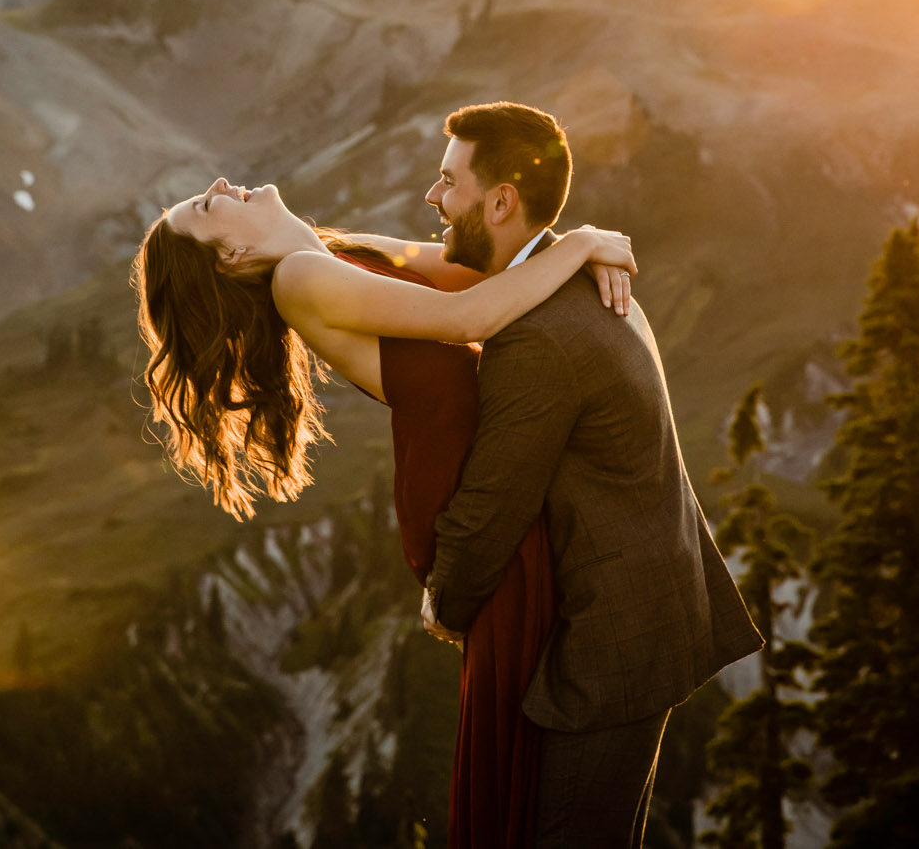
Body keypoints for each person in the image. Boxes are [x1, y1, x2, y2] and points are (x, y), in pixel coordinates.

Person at [132, 155, 635, 846]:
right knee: (542, 784)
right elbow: (471, 313)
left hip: (504, 504)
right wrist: (585, 244)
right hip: (481, 523)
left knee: (552, 776)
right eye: (206, 208)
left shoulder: (328, 251)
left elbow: (487, 272)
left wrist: (593, 248)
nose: (219, 185)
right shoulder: (299, 278)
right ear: (236, 253)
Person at [423, 102, 762, 849]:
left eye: (448, 182)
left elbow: (490, 504)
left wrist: (444, 601)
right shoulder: (578, 276)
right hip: (649, 617)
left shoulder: (539, 336)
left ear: (501, 201)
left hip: (611, 650)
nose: (433, 198)